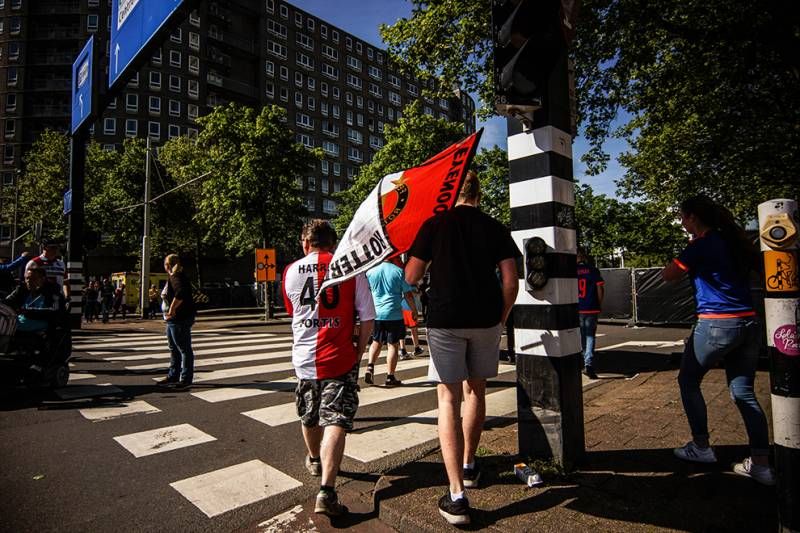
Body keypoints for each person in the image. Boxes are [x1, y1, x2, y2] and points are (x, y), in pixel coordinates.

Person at [405, 171, 520, 526]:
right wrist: (501, 317)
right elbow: (511, 279)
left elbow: (409, 276)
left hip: (445, 319)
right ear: (479, 194)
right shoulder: (496, 228)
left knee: (448, 400)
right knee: (477, 392)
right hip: (486, 318)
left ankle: (456, 494)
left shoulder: (434, 224)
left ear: (452, 191)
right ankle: (470, 465)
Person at [662, 195, 775, 486]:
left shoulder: (700, 246)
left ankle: (701, 447)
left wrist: (686, 252)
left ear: (694, 218)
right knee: (743, 392)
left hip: (716, 323)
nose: (683, 222)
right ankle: (761, 464)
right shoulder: (735, 243)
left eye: (684, 217)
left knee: (688, 382)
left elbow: (669, 275)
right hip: (749, 323)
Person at [282, 220, 375, 517]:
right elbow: (368, 319)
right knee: (336, 419)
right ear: (333, 244)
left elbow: (294, 312)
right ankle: (327, 491)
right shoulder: (349, 268)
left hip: (305, 359)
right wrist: (358, 354)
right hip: (339, 357)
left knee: (309, 414)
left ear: (305, 243)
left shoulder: (291, 271)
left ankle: (313, 458)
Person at [364, 257, 418, 387]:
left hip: (377, 313)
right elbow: (408, 295)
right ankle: (390, 376)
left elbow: (367, 292)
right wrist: (414, 310)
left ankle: (370, 366)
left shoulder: (371, 272)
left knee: (376, 341)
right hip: (394, 313)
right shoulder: (398, 272)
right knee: (392, 345)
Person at [5, 265, 66, 371]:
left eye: (33, 279)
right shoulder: (22, 289)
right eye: (27, 278)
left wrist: (30, 312)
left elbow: (54, 312)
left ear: (42, 279)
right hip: (22, 320)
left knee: (10, 325)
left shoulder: (52, 292)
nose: (29, 281)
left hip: (42, 322)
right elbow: (8, 301)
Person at [157, 254, 196, 390]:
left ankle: (185, 378)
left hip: (179, 318)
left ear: (167, 265)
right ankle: (173, 375)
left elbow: (180, 293)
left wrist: (172, 309)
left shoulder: (176, 277)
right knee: (174, 348)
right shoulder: (177, 276)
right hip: (174, 319)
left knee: (183, 349)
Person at [577, 248, 604, 379]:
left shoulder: (572, 271)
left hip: (578, 307)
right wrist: (599, 303)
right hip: (591, 306)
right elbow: (600, 288)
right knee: (590, 336)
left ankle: (584, 360)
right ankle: (589, 362)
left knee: (583, 335)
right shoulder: (593, 270)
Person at [399, 281, 424, 358]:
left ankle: (403, 350)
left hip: (402, 309)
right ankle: (416, 348)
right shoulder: (411, 285)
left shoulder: (402, 283)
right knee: (414, 330)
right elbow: (415, 294)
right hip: (410, 309)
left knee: (403, 330)